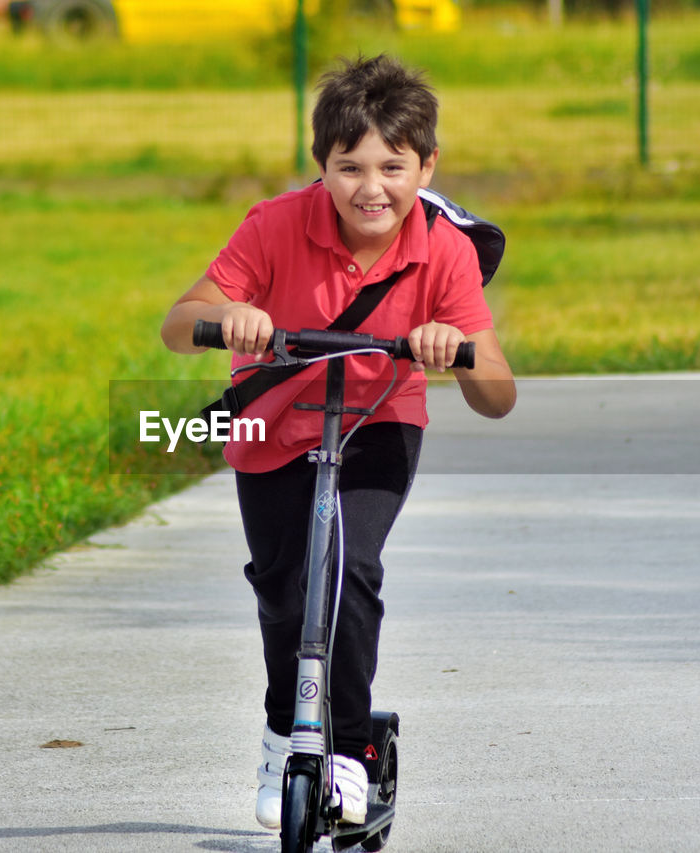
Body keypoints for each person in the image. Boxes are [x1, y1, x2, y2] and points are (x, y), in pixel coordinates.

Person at [160, 53, 515, 829]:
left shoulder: (444, 249)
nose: (370, 187)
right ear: (320, 166)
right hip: (274, 423)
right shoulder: (275, 224)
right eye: (348, 166)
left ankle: (349, 750)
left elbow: (498, 396)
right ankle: (282, 734)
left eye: (393, 166)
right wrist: (235, 317)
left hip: (378, 419)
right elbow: (179, 325)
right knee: (284, 587)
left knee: (350, 567)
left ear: (426, 165)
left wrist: (450, 342)